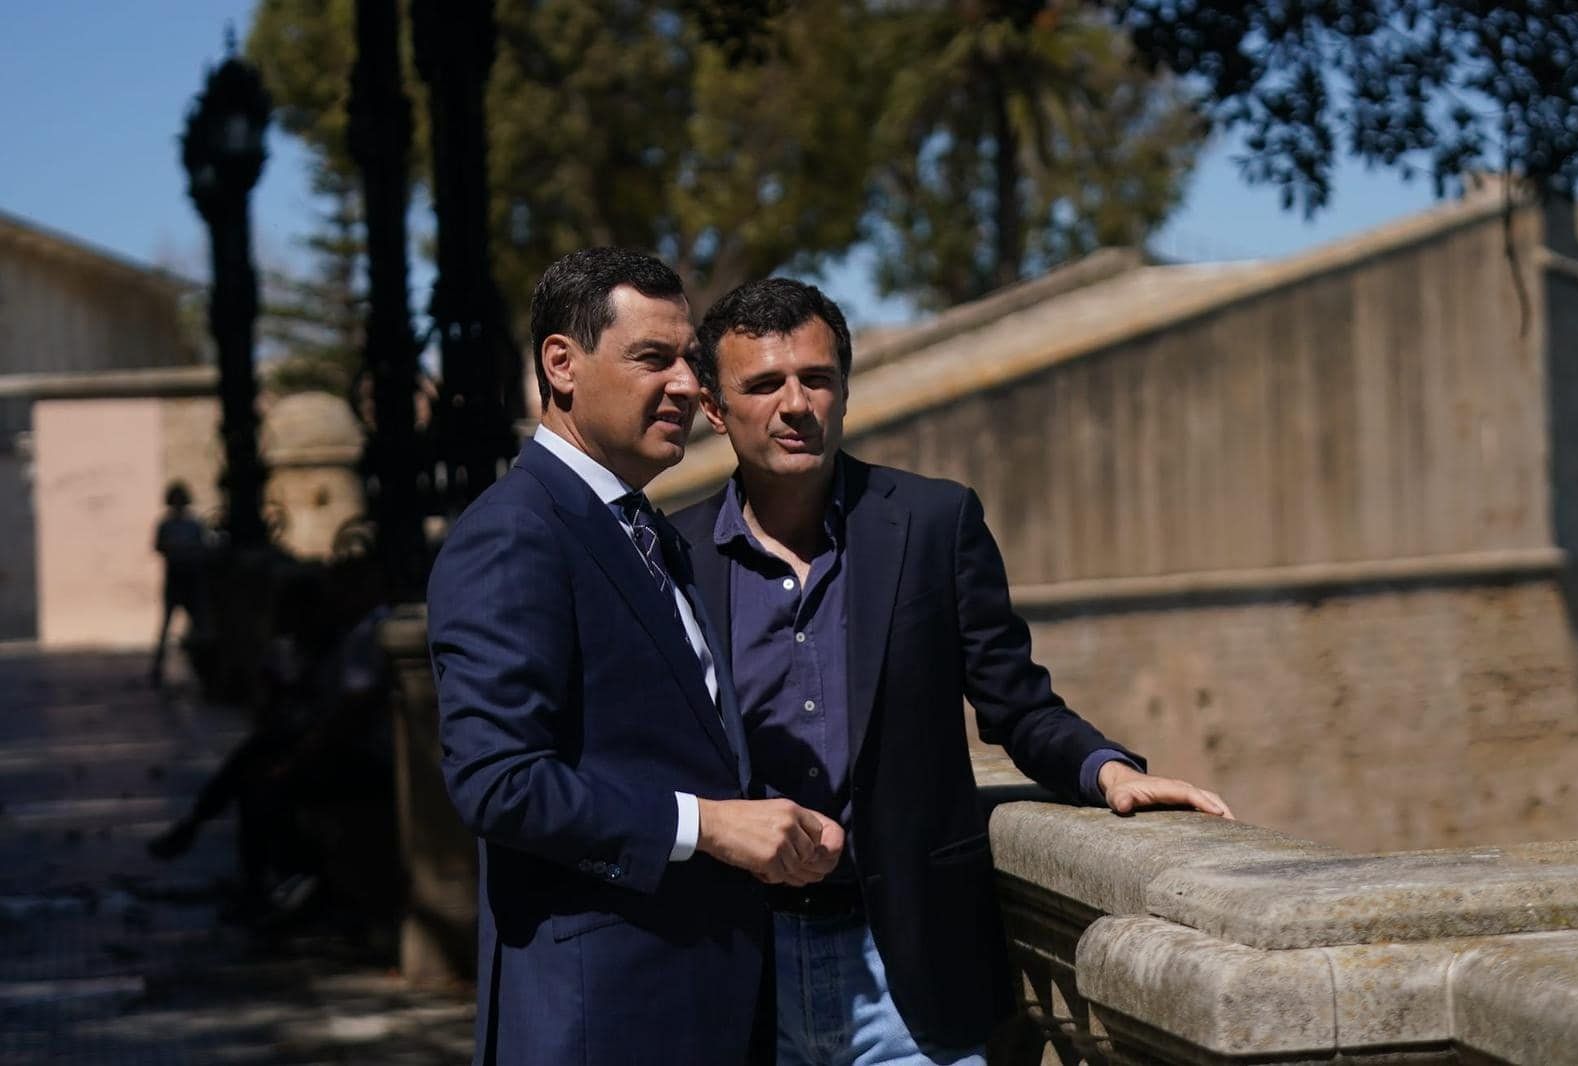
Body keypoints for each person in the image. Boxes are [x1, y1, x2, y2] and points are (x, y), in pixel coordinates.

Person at [672, 278, 1234, 1065]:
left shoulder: (933, 524)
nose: (795, 405)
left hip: (907, 974)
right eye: (764, 385)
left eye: (817, 378)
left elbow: (1015, 702)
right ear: (714, 406)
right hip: (739, 972)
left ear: (844, 388)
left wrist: (1105, 771)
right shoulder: (673, 554)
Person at [426, 249, 845, 1066]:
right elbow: (498, 782)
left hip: (700, 1005)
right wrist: (708, 826)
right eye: (654, 359)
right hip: (602, 1020)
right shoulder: (513, 534)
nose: (688, 385)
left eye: (689, 359)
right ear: (561, 365)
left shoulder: (646, 529)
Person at [149, 480, 210, 687]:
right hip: (175, 577)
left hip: (191, 579)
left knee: (199, 625)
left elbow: (202, 547)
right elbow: (158, 546)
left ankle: (203, 667)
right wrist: (177, 549)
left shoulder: (194, 524)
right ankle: (157, 668)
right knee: (166, 625)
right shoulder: (166, 524)